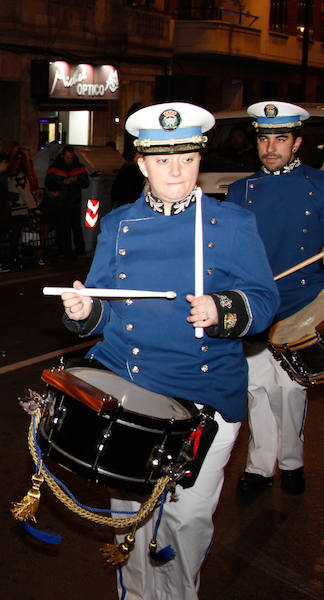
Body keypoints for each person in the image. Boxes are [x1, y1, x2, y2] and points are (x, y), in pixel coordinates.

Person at [59, 102, 279, 600]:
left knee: (186, 521)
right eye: (162, 160)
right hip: (132, 393)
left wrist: (222, 309)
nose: (176, 170)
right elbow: (104, 308)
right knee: (131, 518)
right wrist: (84, 310)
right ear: (142, 164)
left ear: (200, 159)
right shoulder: (118, 225)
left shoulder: (231, 222)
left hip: (204, 393)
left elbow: (265, 300)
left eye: (186, 158)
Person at [226, 101, 323, 496]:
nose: (271, 148)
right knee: (256, 390)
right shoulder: (239, 192)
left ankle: (292, 462)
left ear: (296, 143)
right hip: (255, 306)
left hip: (302, 303)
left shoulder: (319, 186)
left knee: (290, 391)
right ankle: (259, 468)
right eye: (265, 139)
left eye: (280, 139)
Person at [45, 145, 89, 259]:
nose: (69, 160)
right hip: (61, 203)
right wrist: (62, 183)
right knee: (63, 228)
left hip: (75, 202)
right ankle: (66, 252)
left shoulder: (79, 167)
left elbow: (86, 183)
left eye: (71, 157)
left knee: (76, 227)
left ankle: (80, 251)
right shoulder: (54, 168)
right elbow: (49, 183)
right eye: (67, 157)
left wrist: (77, 179)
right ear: (62, 156)